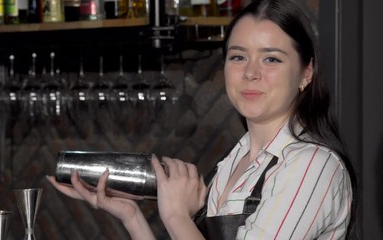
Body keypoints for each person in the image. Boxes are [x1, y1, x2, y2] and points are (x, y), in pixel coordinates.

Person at [47, 0, 357, 239]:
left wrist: (178, 217)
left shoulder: (312, 166)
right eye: (238, 56)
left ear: (306, 72)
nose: (250, 73)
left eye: (271, 58)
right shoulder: (233, 164)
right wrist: (132, 217)